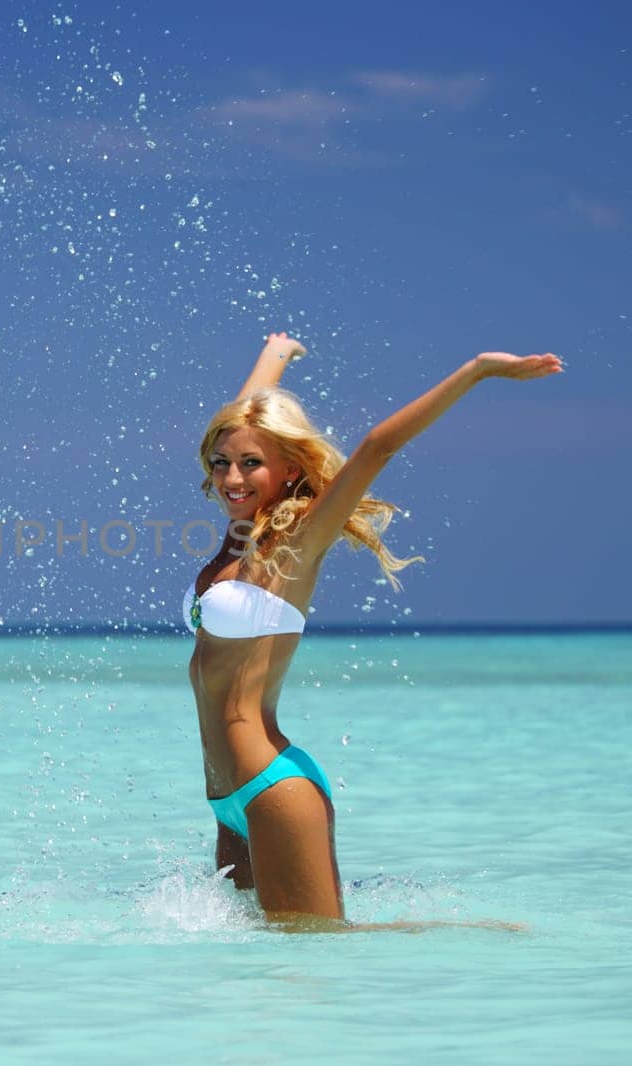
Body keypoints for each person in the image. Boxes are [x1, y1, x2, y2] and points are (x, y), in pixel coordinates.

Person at [186, 332, 562, 925]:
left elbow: (378, 446)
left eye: (250, 464)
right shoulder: (238, 539)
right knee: (252, 973)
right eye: (221, 463)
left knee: (317, 952)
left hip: (273, 787)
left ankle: (469, 934)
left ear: (288, 468)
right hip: (225, 796)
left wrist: (478, 370)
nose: (232, 477)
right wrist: (276, 356)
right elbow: (241, 421)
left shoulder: (296, 543)